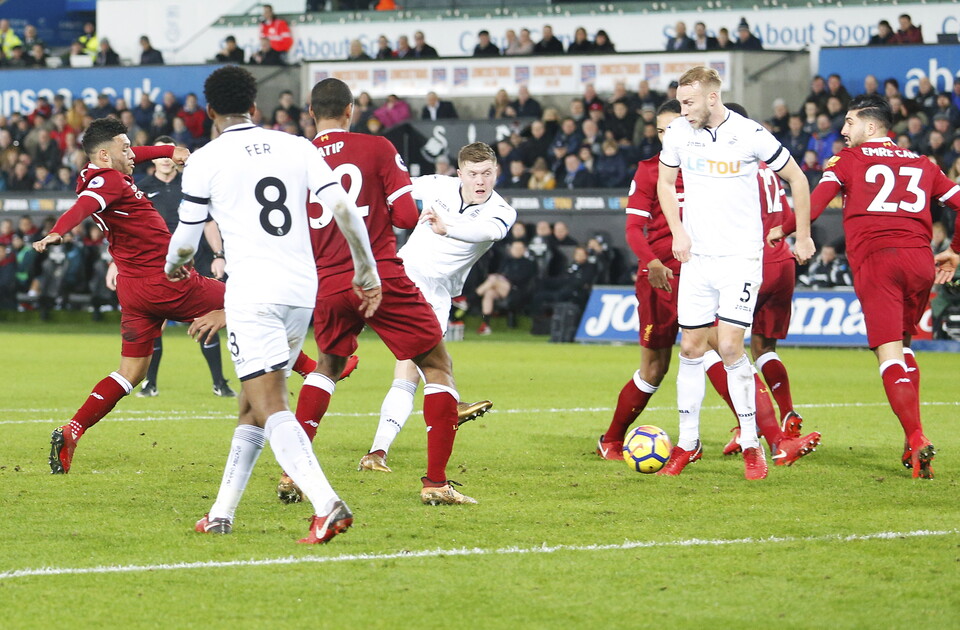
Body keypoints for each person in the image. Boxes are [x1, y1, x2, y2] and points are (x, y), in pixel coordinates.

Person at [165, 65, 379, 542]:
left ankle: (327, 504)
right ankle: (220, 513)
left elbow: (185, 238)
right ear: (254, 106)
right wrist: (366, 269)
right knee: (251, 405)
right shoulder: (297, 146)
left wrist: (173, 266)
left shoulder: (206, 159)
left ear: (210, 111)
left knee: (270, 403)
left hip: (253, 294)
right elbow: (343, 207)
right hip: (301, 291)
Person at [284, 78, 494, 506]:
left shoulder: (296, 159)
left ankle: (293, 474)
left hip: (327, 280)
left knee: (327, 366)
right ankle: (436, 483)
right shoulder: (377, 147)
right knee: (437, 365)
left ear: (311, 113)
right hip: (379, 276)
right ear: (350, 110)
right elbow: (404, 216)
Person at [597, 100, 820, 467]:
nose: (669, 136)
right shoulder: (652, 170)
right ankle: (612, 439)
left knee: (722, 348)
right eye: (661, 131)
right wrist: (652, 262)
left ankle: (770, 439)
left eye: (675, 127)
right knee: (655, 370)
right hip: (662, 278)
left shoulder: (709, 162)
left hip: (705, 270)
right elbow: (634, 228)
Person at [773, 94, 960, 479]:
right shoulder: (923, 163)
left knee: (888, 355)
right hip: (921, 261)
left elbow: (815, 204)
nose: (843, 130)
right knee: (905, 346)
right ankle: (912, 442)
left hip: (879, 262)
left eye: (850, 122)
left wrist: (782, 228)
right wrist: (955, 251)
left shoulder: (847, 161)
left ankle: (917, 437)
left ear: (871, 126)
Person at [34, 118, 224, 475]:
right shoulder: (107, 181)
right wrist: (58, 231)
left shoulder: (97, 172)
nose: (133, 154)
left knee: (131, 372)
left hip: (134, 288)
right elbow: (84, 205)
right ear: (105, 155)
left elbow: (131, 156)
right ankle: (313, 373)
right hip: (165, 282)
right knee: (248, 300)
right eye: (125, 149)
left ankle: (73, 429)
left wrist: (168, 150)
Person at [656, 67, 814, 480]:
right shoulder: (678, 133)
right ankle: (687, 443)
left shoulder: (749, 133)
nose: (682, 110)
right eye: (680, 102)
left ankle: (750, 442)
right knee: (691, 348)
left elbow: (798, 179)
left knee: (729, 346)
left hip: (740, 259)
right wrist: (678, 232)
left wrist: (803, 235)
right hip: (697, 259)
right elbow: (665, 184)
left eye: (689, 102)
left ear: (712, 97)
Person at [364, 141, 516, 471]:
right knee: (425, 365)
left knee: (411, 369)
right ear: (460, 173)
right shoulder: (437, 185)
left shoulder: (502, 211)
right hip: (406, 277)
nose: (480, 181)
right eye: (473, 174)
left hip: (439, 294)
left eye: (487, 173)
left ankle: (378, 452)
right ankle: (449, 402)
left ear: (496, 172)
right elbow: (397, 186)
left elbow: (487, 231)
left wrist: (449, 228)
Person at [134, 136, 234, 398]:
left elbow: (209, 223)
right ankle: (149, 383)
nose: (165, 160)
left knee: (207, 318)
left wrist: (219, 255)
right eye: (160, 155)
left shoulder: (190, 184)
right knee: (154, 324)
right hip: (156, 265)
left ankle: (219, 383)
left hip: (195, 263)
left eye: (169, 154)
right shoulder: (141, 188)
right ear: (153, 159)